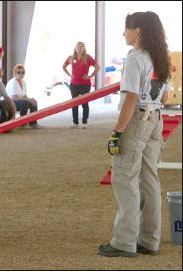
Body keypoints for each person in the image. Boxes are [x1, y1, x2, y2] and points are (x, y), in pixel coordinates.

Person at [98, 11, 171, 258]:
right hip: (156, 120)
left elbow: (130, 98)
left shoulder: (135, 58)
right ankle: (150, 240)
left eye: (126, 28)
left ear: (137, 31)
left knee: (125, 178)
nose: (124, 33)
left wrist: (117, 133)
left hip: (137, 120)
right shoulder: (160, 58)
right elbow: (166, 97)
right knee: (149, 180)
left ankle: (124, 241)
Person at [62, 42, 100, 129]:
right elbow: (63, 66)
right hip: (74, 84)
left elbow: (97, 67)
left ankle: (84, 122)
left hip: (85, 85)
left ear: (84, 48)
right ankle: (75, 123)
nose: (80, 48)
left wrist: (90, 76)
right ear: (75, 48)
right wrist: (69, 75)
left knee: (84, 103)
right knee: (74, 104)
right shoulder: (71, 58)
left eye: (82, 46)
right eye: (78, 46)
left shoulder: (88, 57)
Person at [6, 64, 40, 128]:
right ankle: (22, 124)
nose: (21, 74)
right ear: (15, 73)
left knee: (34, 102)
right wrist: (27, 99)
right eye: (18, 72)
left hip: (19, 101)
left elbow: (24, 96)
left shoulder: (23, 82)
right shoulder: (13, 82)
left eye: (22, 72)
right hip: (10, 102)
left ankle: (33, 123)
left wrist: (31, 99)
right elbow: (14, 97)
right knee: (24, 102)